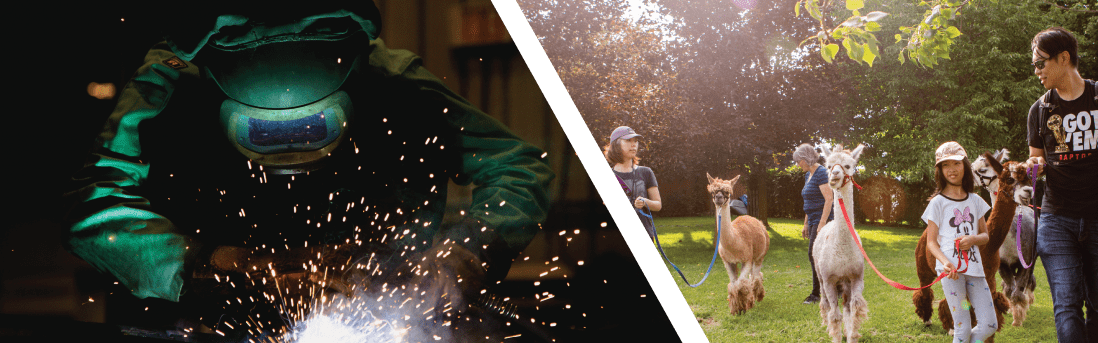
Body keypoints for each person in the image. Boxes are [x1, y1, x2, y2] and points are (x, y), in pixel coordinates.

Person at [62, 1, 553, 337]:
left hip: (380, 296)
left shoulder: (390, 77)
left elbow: (516, 167)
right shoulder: (167, 82)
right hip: (202, 310)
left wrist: (457, 262)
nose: (291, 153)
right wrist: (206, 262)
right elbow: (94, 206)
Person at [1023, 27, 1098, 342]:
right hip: (1056, 219)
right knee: (1066, 304)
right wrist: (1032, 166)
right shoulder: (1040, 110)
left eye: (1040, 63)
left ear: (1064, 58)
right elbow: (1037, 160)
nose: (1037, 71)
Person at [922, 142, 996, 343]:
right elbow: (931, 242)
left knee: (990, 325)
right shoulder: (937, 203)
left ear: (965, 166)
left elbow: (985, 236)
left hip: (975, 269)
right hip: (951, 273)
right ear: (940, 170)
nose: (952, 169)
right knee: (962, 327)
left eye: (956, 163)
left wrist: (972, 239)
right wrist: (945, 263)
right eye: (946, 165)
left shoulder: (975, 200)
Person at [605, 126, 662, 238]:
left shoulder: (646, 172)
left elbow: (658, 205)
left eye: (635, 141)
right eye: (628, 140)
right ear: (616, 145)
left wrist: (645, 202)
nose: (634, 145)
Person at [793, 143, 832, 304]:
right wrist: (805, 224)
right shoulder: (807, 175)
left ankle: (816, 294)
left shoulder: (821, 172)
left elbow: (829, 199)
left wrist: (822, 223)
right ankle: (832, 288)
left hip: (823, 219)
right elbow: (808, 201)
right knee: (817, 256)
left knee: (813, 254)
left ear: (806, 159)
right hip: (812, 219)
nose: (797, 164)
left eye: (798, 161)